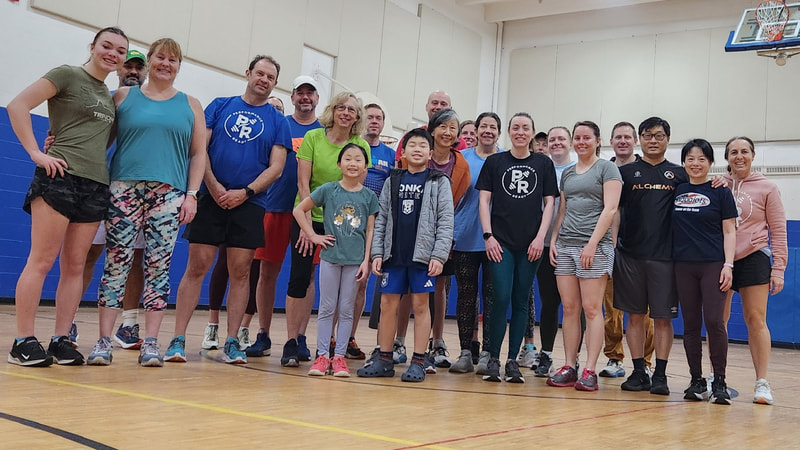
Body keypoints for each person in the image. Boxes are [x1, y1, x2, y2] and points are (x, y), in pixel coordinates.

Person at [7, 27, 129, 367]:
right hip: (59, 177)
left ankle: (61, 339)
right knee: (42, 260)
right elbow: (18, 105)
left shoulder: (109, 96)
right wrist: (36, 152)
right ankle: (22, 341)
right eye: (107, 46)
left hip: (96, 184)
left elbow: (98, 139)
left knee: (75, 266)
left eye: (120, 50)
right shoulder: (67, 74)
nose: (113, 53)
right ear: (92, 47)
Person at [163, 55, 291, 364]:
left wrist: (245, 193)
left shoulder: (278, 121)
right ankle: (178, 339)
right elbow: (200, 149)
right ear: (248, 73)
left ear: (275, 83)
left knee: (241, 272)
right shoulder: (221, 106)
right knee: (197, 267)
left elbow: (276, 167)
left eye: (270, 77)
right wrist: (214, 185)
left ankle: (232, 341)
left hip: (250, 204)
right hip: (211, 198)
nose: (263, 79)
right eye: (259, 73)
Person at [88, 38, 206, 367]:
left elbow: (198, 154)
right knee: (116, 264)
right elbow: (99, 140)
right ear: (150, 61)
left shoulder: (191, 104)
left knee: (158, 267)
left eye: (173, 59)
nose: (166, 64)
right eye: (160, 57)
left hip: (168, 193)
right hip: (123, 189)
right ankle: (103, 340)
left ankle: (151, 342)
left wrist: (192, 194)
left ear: (179, 66)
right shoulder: (123, 97)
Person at [356, 128, 454, 382]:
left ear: (430, 153)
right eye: (412, 145)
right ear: (403, 152)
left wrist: (439, 255)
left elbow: (446, 221)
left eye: (423, 146)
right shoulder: (393, 180)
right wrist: (378, 252)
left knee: (421, 305)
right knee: (388, 305)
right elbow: (381, 218)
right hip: (394, 255)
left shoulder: (439, 181)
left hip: (422, 257)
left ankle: (419, 360)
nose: (417, 149)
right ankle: (385, 358)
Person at [281, 91, 370, 367]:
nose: (346, 113)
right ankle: (292, 341)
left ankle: (322, 343)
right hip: (309, 215)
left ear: (357, 117)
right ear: (332, 110)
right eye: (341, 107)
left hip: (341, 223)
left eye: (352, 110)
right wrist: (307, 228)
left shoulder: (360, 145)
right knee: (300, 277)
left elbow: (358, 189)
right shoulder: (313, 138)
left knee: (335, 286)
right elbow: (303, 183)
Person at [477, 112, 557, 383]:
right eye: (516, 127)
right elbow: (484, 201)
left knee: (521, 299)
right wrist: (488, 236)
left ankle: (512, 361)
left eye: (525, 128)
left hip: (531, 245)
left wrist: (540, 238)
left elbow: (550, 203)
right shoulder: (495, 162)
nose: (520, 132)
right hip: (500, 243)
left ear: (532, 132)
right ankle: (493, 359)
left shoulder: (543, 163)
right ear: (508, 132)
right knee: (500, 297)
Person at [76, 48, 147, 350]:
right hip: (99, 187)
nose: (133, 71)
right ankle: (69, 320)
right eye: (128, 66)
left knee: (135, 257)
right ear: (119, 69)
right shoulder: (104, 100)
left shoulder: (152, 105)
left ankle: (128, 324)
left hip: (136, 192)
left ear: (145, 72)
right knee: (88, 254)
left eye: (138, 67)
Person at [247, 76, 322, 359]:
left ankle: (299, 337)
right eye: (300, 93)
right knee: (267, 273)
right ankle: (263, 334)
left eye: (310, 93)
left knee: (307, 275)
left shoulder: (323, 132)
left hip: (309, 213)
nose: (305, 97)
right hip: (275, 207)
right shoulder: (280, 124)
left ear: (317, 99)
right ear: (292, 98)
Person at [546, 121, 621, 391]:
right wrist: (553, 240)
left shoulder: (607, 169)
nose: (581, 142)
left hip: (594, 248)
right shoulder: (567, 173)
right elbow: (563, 210)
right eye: (577, 137)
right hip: (566, 246)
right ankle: (569, 365)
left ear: (597, 141)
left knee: (591, 309)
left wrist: (592, 244)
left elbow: (610, 209)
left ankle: (589, 369)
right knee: (569, 309)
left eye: (586, 137)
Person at [614, 116, 684, 395]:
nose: (653, 140)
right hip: (629, 256)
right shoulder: (625, 173)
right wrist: (613, 246)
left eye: (659, 135)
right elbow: (615, 211)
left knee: (663, 319)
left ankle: (661, 375)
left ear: (668, 139)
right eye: (647, 135)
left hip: (665, 258)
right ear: (639, 140)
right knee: (634, 317)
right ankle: (638, 371)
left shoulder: (679, 174)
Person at [295, 143, 378, 376]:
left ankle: (339, 357)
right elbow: (299, 210)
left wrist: (366, 260)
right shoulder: (328, 189)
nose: (353, 163)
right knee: (327, 307)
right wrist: (313, 236)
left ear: (365, 166)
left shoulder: (369, 196)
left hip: (355, 261)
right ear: (339, 164)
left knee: (346, 309)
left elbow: (370, 230)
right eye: (348, 159)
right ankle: (322, 356)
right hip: (330, 258)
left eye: (358, 159)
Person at [397, 108, 470, 369]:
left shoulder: (461, 166)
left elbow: (455, 203)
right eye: (443, 127)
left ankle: (437, 342)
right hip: (409, 232)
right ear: (432, 130)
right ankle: (399, 341)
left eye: (453, 128)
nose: (447, 132)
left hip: (440, 235)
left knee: (439, 286)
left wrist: (444, 238)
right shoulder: (411, 158)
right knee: (408, 287)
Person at [722, 136, 787, 405]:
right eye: (733, 152)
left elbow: (779, 230)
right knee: (718, 320)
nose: (739, 156)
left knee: (755, 319)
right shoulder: (718, 185)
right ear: (727, 157)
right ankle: (717, 378)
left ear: (752, 155)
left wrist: (778, 268)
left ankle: (762, 382)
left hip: (754, 256)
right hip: (722, 260)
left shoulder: (767, 187)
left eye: (744, 151)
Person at [672, 138, 737, 404]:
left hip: (712, 264)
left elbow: (729, 231)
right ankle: (696, 380)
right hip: (683, 265)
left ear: (710, 162)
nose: (696, 163)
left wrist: (728, 264)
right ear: (684, 162)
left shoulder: (720, 191)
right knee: (690, 324)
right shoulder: (677, 189)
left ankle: (719, 380)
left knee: (714, 321)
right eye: (690, 158)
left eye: (701, 159)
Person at [600, 121, 655, 378]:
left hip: (643, 249)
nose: (622, 141)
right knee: (611, 308)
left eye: (627, 137)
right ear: (611, 141)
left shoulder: (648, 170)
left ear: (635, 141)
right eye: (618, 137)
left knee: (645, 311)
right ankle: (614, 357)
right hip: (609, 247)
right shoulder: (603, 170)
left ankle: (646, 361)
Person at [449, 112, 502, 374]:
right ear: (476, 130)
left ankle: (488, 353)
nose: (488, 131)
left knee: (493, 298)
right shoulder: (461, 159)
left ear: (499, 133)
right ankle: (465, 352)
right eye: (484, 126)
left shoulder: (505, 160)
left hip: (496, 242)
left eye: (493, 127)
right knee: (466, 297)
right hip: (464, 237)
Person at [347, 103, 395, 360]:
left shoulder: (390, 154)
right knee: (344, 281)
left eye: (379, 118)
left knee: (362, 283)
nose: (374, 121)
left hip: (376, 225)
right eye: (370, 117)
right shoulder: (352, 148)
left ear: (383, 123)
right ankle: (333, 337)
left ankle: (349, 337)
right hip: (349, 221)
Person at [533, 126, 576, 378]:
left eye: (561, 139)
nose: (556, 143)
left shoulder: (579, 170)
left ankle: (574, 359)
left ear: (570, 143)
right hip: (546, 244)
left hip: (574, 245)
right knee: (549, 302)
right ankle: (546, 354)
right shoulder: (541, 168)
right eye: (552, 140)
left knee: (575, 305)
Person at [393, 90, 467, 160]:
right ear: (427, 106)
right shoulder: (411, 137)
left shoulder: (460, 142)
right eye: (434, 103)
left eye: (443, 104)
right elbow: (399, 164)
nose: (438, 107)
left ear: (450, 109)